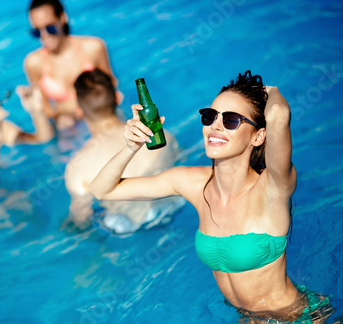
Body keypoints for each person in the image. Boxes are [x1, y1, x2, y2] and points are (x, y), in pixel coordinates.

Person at [89, 71, 334, 322]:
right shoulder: (193, 183)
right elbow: (102, 190)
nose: (215, 126)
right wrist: (131, 147)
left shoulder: (272, 187)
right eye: (210, 116)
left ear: (258, 136)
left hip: (298, 318)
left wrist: (269, 90)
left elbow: (278, 115)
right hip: (249, 318)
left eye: (230, 120)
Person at [65, 69, 184, 233]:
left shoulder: (77, 169)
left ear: (79, 110)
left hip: (129, 226)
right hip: (173, 209)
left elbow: (81, 219)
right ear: (118, 97)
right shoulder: (164, 136)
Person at [24, 0, 118, 129]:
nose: (44, 36)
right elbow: (45, 110)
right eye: (37, 32)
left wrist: (67, 107)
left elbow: (112, 86)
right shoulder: (33, 63)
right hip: (69, 127)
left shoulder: (94, 47)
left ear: (62, 18)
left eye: (50, 28)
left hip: (102, 118)